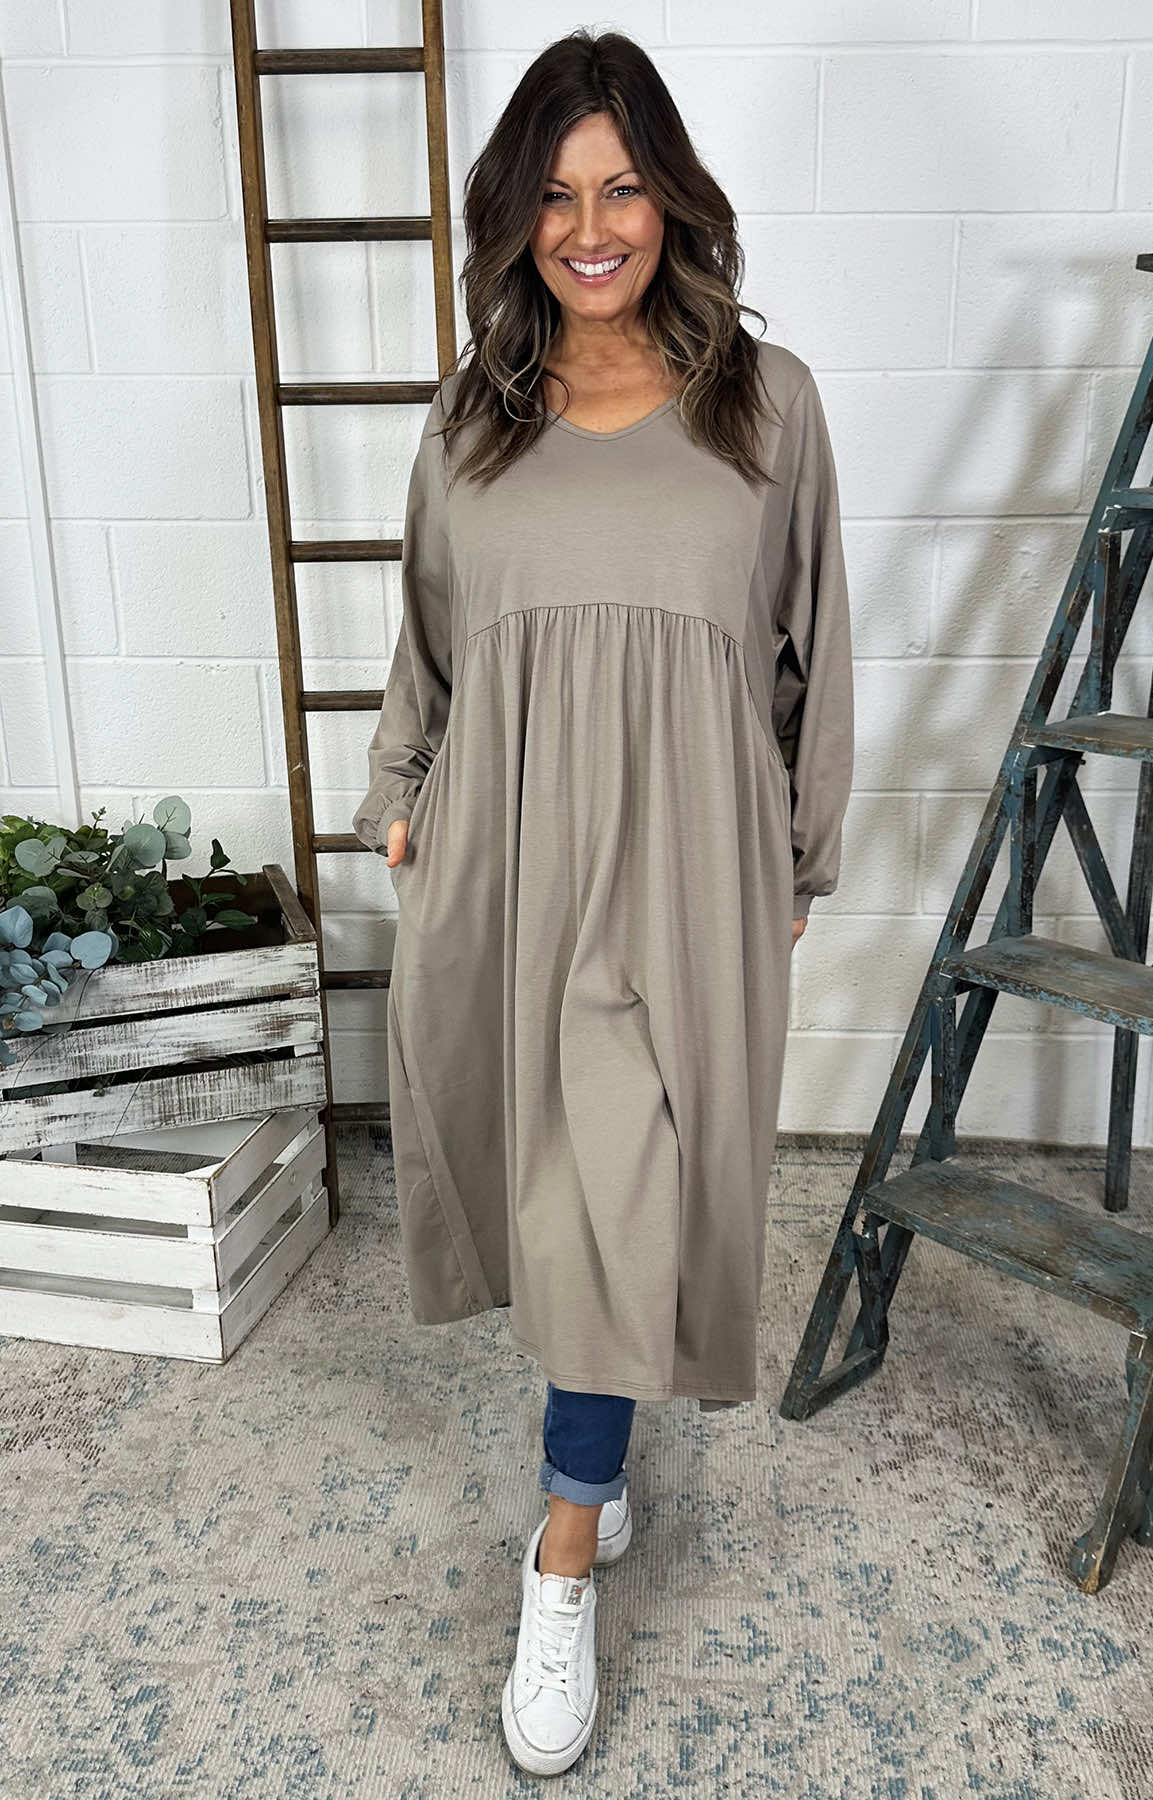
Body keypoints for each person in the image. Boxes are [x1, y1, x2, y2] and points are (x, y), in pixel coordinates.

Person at [351, 28, 854, 1778]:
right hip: (510, 867)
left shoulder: (768, 408)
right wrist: (402, 799)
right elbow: (427, 642)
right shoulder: (471, 421)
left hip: (696, 871)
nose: (589, 229)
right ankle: (592, 1480)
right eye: (556, 196)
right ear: (517, 216)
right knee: (562, 1195)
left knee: (628, 1180)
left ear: (672, 196)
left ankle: (561, 1552)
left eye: (621, 187)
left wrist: (799, 854)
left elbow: (815, 650)